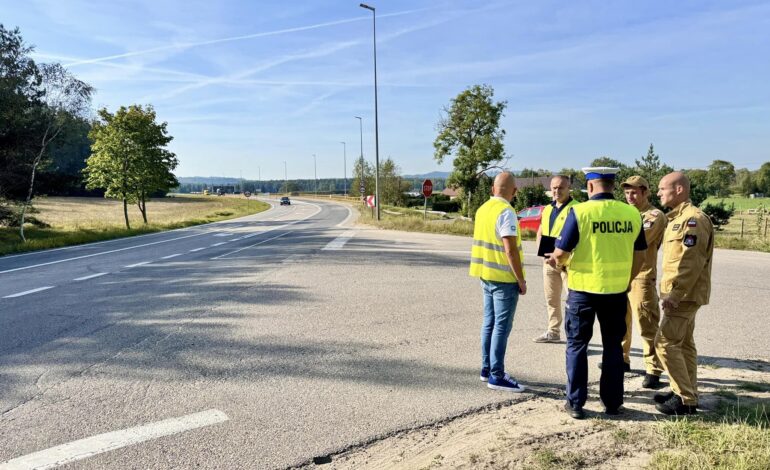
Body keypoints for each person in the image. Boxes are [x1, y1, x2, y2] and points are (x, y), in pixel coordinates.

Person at [547, 167, 646, 419]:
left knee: (577, 345)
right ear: (612, 186)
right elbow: (640, 255)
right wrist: (626, 280)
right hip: (616, 292)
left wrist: (556, 262)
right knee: (613, 346)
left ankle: (576, 403)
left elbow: (561, 252)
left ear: (590, 187)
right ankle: (613, 404)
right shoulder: (632, 213)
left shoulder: (579, 212)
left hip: (582, 292)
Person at [653, 172, 714, 415]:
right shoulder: (677, 218)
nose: (659, 193)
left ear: (679, 190)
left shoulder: (693, 220)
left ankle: (685, 399)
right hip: (682, 294)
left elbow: (690, 262)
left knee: (665, 343)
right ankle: (686, 391)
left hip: (683, 296)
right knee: (684, 344)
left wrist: (675, 294)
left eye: (662, 188)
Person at [599, 176, 667, 381]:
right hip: (622, 274)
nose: (630, 196)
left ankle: (653, 368)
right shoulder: (626, 213)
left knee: (645, 322)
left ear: (646, 192)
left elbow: (637, 241)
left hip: (642, 276)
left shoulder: (654, 216)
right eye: (627, 193)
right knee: (621, 321)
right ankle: (622, 359)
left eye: (635, 192)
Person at [470, 172, 527, 393]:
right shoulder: (507, 212)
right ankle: (497, 375)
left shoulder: (483, 209)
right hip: (504, 278)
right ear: (514, 192)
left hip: (485, 274)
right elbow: (510, 249)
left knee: (489, 323)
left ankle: (486, 369)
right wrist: (520, 279)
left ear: (493, 189)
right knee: (501, 327)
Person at [533, 175, 579, 343]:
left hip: (569, 263)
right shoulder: (547, 209)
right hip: (549, 262)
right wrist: (542, 253)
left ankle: (577, 337)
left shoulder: (577, 209)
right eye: (553, 188)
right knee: (551, 299)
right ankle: (553, 332)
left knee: (574, 302)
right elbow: (541, 231)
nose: (556, 191)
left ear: (569, 189)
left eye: (561, 188)